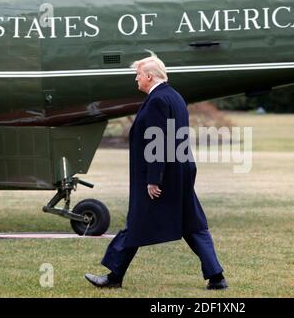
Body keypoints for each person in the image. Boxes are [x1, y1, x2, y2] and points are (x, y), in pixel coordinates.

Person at [85, 52, 227, 290]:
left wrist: (153, 179)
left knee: (137, 222)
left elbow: (157, 143)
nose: (136, 79)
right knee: (192, 225)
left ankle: (113, 277)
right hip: (181, 171)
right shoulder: (176, 97)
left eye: (138, 74)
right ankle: (216, 277)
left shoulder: (157, 101)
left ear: (149, 76)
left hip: (162, 175)